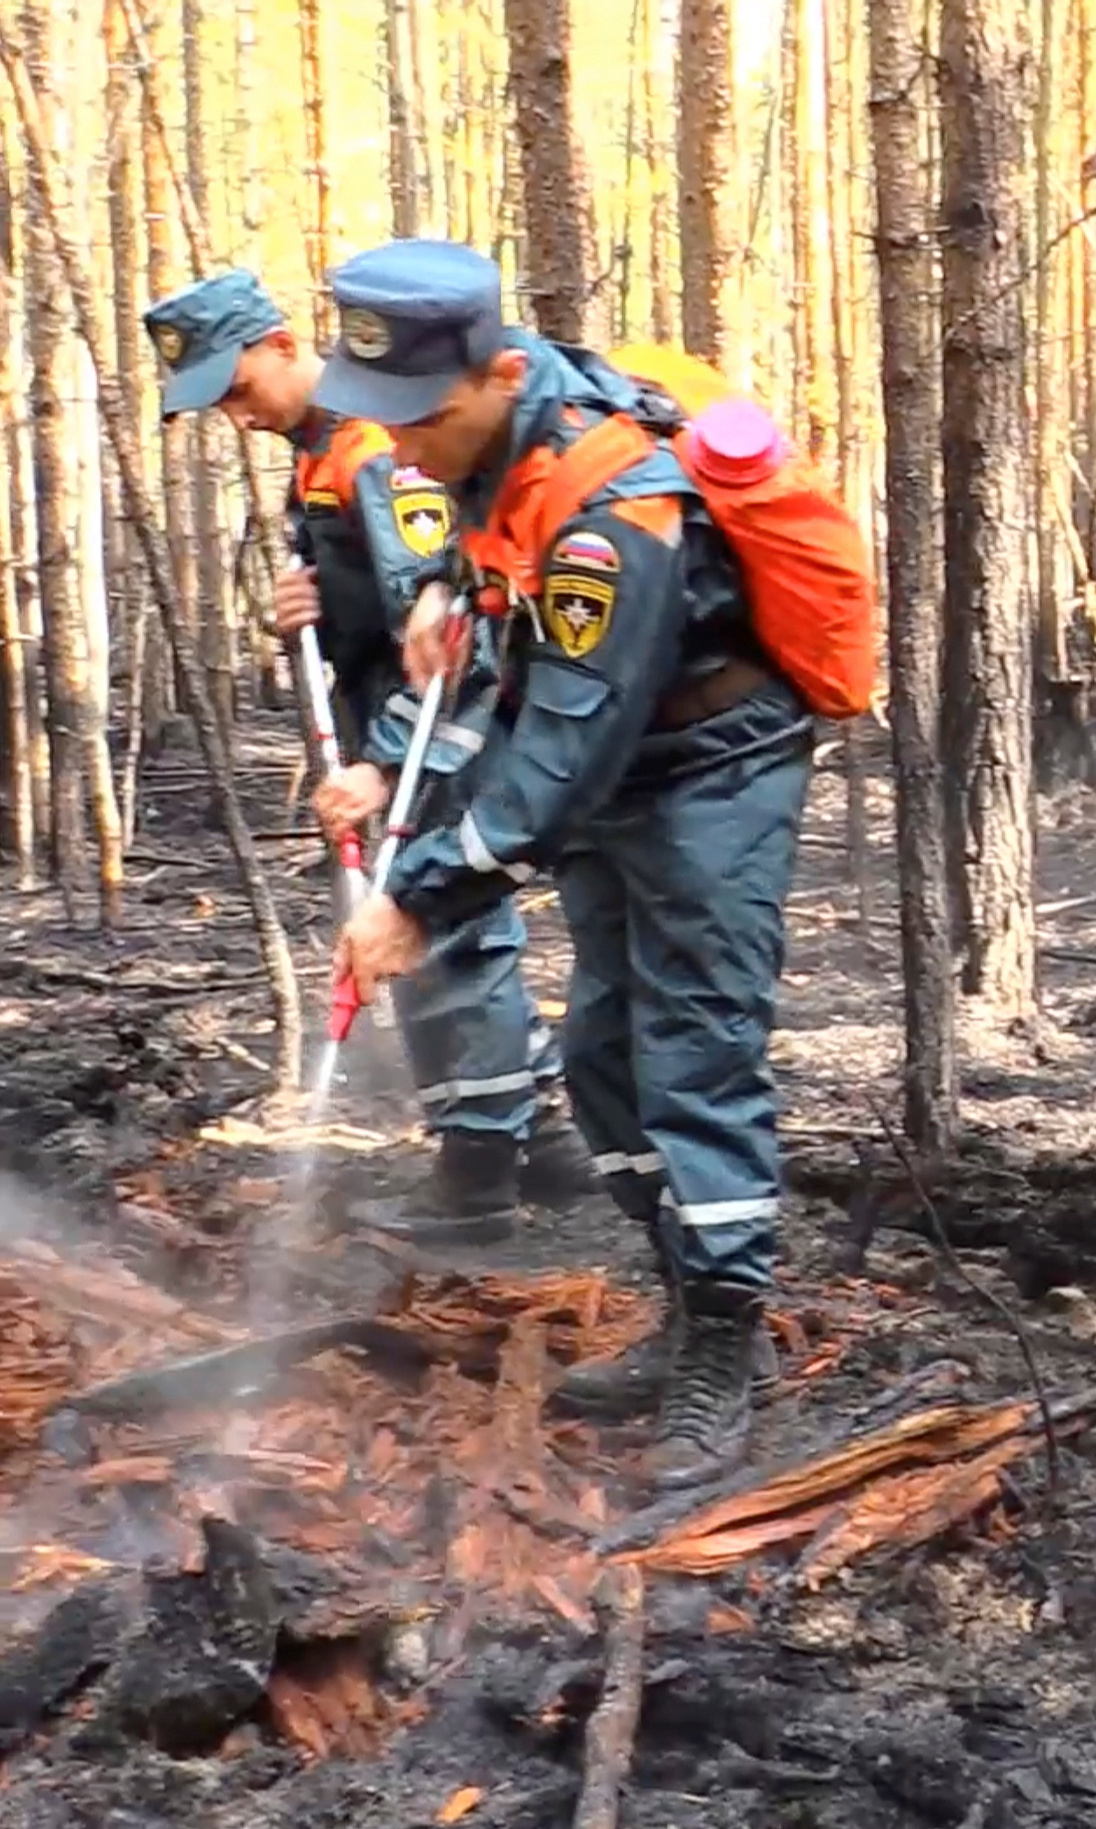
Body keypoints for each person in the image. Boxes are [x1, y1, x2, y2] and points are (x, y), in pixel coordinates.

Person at [314, 239, 814, 1486]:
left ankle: (724, 1347)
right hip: (619, 765)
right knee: (601, 1059)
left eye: (418, 419)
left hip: (710, 773)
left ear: (487, 375)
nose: (400, 446)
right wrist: (440, 595)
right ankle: (692, 1302)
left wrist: (417, 896)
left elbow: (557, 761)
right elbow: (495, 594)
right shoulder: (495, 440)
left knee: (695, 1059)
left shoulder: (616, 510)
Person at [141, 267, 590, 1243]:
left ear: (286, 345)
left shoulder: (377, 451)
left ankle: (476, 1182)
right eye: (215, 402)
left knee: (446, 941)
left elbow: (441, 633)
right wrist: (296, 614)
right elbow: (369, 615)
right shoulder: (317, 455)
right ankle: (548, 1148)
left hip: (433, 738)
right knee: (442, 934)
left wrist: (383, 763)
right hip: (394, 733)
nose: (235, 413)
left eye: (238, 386)